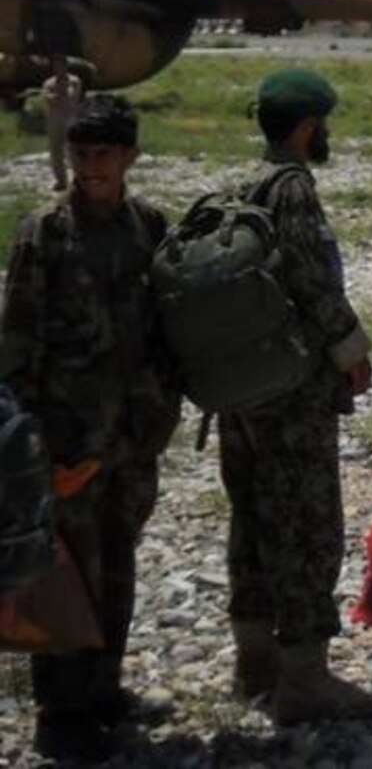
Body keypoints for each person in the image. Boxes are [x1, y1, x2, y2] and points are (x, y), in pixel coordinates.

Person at [0, 95, 180, 760]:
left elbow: (168, 327)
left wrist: (163, 408)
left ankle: (104, 689)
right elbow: (16, 350)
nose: (92, 166)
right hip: (68, 441)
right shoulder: (45, 232)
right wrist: (32, 452)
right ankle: (61, 710)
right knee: (65, 572)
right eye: (81, 154)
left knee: (120, 567)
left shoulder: (148, 226)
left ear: (131, 156)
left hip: (132, 440)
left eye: (105, 154)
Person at [218, 68, 372, 723]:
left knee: (252, 518)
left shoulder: (235, 188)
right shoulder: (292, 191)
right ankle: (305, 679)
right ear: (309, 125)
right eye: (323, 123)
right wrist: (352, 352)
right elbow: (314, 284)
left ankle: (253, 665)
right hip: (290, 393)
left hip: (238, 388)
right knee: (309, 527)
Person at [39, 53, 84, 192]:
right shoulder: (48, 83)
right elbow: (48, 99)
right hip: (54, 121)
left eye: (62, 65)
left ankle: (79, 178)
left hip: (69, 120)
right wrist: (58, 95)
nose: (59, 68)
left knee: (73, 151)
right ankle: (61, 180)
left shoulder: (74, 81)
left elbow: (72, 97)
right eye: (57, 65)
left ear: (66, 66)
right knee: (56, 152)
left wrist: (58, 95)